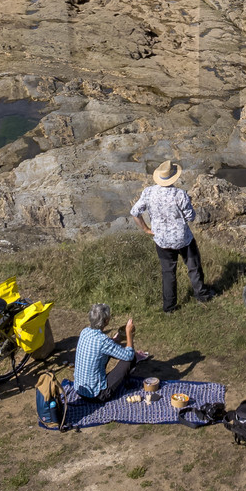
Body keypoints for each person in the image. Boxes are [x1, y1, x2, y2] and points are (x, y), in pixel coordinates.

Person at [132, 159, 214, 312]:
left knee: (168, 273)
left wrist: (145, 229)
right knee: (193, 267)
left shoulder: (149, 192)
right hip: (183, 238)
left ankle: (169, 307)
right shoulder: (179, 194)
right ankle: (201, 295)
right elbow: (190, 217)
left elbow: (135, 212)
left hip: (161, 240)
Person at [73, 302, 143, 400]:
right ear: (106, 321)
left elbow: (99, 346)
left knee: (109, 353)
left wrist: (115, 340)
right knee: (131, 359)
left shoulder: (84, 332)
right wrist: (129, 334)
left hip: (80, 390)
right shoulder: (103, 341)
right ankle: (127, 383)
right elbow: (129, 355)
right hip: (97, 395)